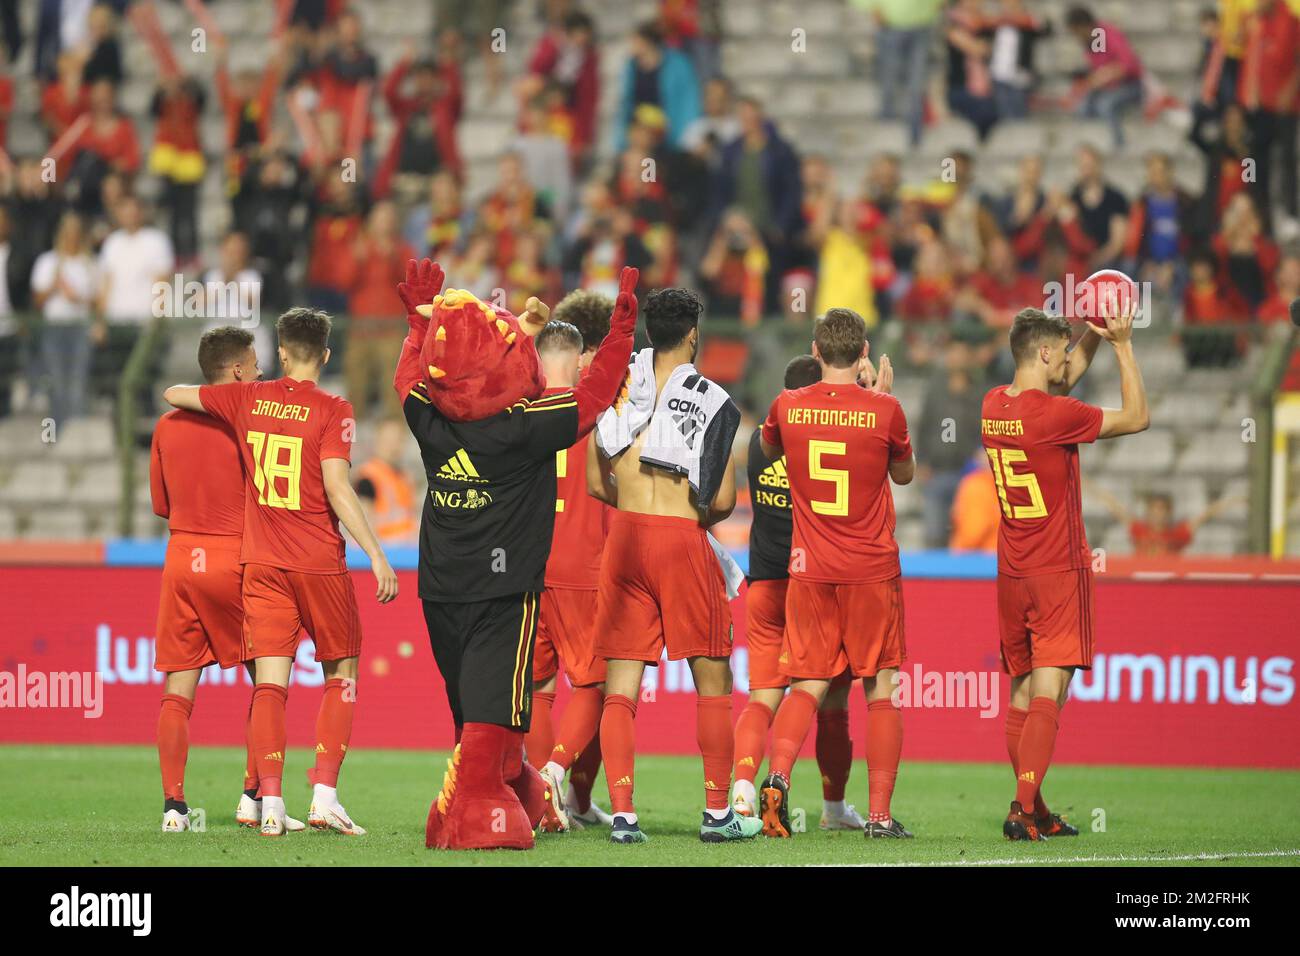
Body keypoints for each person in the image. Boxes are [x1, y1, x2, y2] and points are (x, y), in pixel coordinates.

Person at [396, 261, 637, 851]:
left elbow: (408, 379)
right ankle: (475, 812)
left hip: (439, 586)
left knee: (474, 706)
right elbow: (596, 394)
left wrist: (414, 325)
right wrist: (621, 335)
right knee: (492, 707)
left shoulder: (428, 417)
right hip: (502, 592)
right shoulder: (524, 425)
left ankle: (523, 789)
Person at [162, 308, 400, 837]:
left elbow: (176, 394)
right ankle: (324, 797)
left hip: (263, 564)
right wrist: (377, 553)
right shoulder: (334, 409)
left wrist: (219, 405)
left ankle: (268, 803)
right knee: (342, 672)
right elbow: (338, 489)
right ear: (328, 356)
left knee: (271, 683)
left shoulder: (248, 397)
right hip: (317, 560)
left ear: (282, 353)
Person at [589, 286, 760, 844]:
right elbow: (723, 503)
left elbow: (596, 482)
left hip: (625, 538)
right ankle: (716, 814)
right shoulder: (712, 398)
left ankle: (622, 816)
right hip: (681, 538)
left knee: (621, 684)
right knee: (712, 677)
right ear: (692, 334)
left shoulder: (617, 389)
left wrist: (636, 509)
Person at [981, 303, 1148, 841]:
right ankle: (1021, 810)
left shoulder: (993, 406)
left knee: (1022, 696)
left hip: (1012, 569)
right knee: (1051, 690)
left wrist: (1090, 334)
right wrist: (1122, 343)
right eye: (1062, 350)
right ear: (1045, 352)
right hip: (1057, 568)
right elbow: (1137, 417)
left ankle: (1036, 807)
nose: (1067, 362)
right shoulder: (1055, 417)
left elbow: (1063, 375)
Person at [757, 308, 915, 839]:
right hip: (870, 568)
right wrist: (877, 398)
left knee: (807, 684)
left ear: (816, 351)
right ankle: (878, 816)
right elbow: (905, 474)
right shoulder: (885, 409)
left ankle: (776, 777)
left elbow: (768, 447)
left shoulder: (787, 405)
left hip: (810, 568)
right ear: (865, 352)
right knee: (881, 688)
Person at [150, 327, 307, 834]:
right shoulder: (247, 422)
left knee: (178, 689)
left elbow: (160, 505)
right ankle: (252, 794)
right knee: (266, 681)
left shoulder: (164, 428)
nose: (262, 372)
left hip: (180, 559)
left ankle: (174, 807)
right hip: (234, 557)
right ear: (237, 371)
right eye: (256, 364)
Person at [732, 353, 868, 831]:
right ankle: (830, 808)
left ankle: (743, 791)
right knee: (828, 697)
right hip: (814, 586)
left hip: (762, 582)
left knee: (761, 697)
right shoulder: (826, 439)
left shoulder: (757, 442)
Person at [528, 312, 616, 832]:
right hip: (584, 567)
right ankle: (555, 775)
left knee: (539, 688)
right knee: (598, 683)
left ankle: (558, 805)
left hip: (528, 568)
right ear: (582, 359)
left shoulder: (518, 413)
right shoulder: (595, 414)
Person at [32, 211, 100, 425]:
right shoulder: (47, 261)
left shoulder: (90, 264)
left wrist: (76, 297)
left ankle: (76, 425)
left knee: (78, 378)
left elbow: (97, 301)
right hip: (54, 328)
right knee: (56, 378)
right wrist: (55, 285)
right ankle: (58, 423)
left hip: (80, 328)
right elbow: (38, 301)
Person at [354, 418, 418, 544]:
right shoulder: (368, 477)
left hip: (408, 549)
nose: (394, 446)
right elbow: (364, 524)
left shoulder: (405, 478)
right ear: (378, 441)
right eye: (389, 441)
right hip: (385, 548)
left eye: (398, 441)